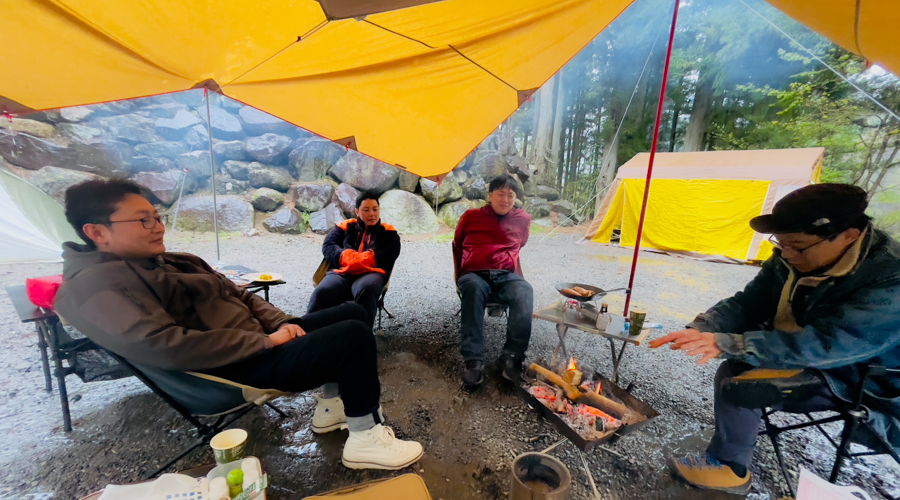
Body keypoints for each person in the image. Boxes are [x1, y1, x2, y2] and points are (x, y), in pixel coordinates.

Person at [53, 179, 423, 471]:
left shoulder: (174, 260)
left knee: (354, 314)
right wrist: (264, 343)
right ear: (97, 232)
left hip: (259, 342)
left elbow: (242, 295)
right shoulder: (93, 288)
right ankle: (364, 440)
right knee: (353, 335)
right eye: (143, 220)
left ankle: (332, 407)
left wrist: (285, 325)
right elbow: (166, 343)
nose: (157, 228)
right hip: (235, 369)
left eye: (157, 217)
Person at [649, 184, 900, 494]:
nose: (787, 254)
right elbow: (749, 302)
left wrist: (730, 343)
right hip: (805, 351)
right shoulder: (789, 254)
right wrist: (703, 327)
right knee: (739, 369)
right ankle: (731, 463)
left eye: (797, 246)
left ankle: (730, 469)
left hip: (862, 377)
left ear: (849, 235)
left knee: (741, 380)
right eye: (781, 244)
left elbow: (830, 343)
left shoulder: (890, 275)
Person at [453, 174, 533, 389]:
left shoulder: (522, 219)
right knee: (473, 288)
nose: (505, 199)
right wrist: (461, 270)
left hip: (505, 275)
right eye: (500, 194)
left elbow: (521, 243)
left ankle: (512, 357)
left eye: (511, 195)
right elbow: (457, 242)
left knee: (524, 290)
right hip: (475, 273)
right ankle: (473, 361)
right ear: (490, 195)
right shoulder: (471, 216)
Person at [307, 191, 400, 327]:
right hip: (343, 272)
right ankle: (308, 332)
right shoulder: (345, 226)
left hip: (371, 273)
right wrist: (344, 256)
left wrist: (367, 258)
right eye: (366, 210)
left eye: (375, 209)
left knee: (366, 289)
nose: (372, 214)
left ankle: (361, 335)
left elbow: (391, 252)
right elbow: (328, 245)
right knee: (323, 291)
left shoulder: (387, 231)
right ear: (357, 211)